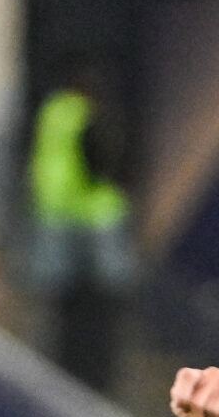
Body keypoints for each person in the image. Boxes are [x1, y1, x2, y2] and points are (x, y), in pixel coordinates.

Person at [25, 69, 137, 393]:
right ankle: (94, 364)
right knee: (106, 290)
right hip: (94, 208)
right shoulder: (89, 113)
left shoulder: (54, 112)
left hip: (59, 206)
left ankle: (53, 355)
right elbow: (104, 155)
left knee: (58, 290)